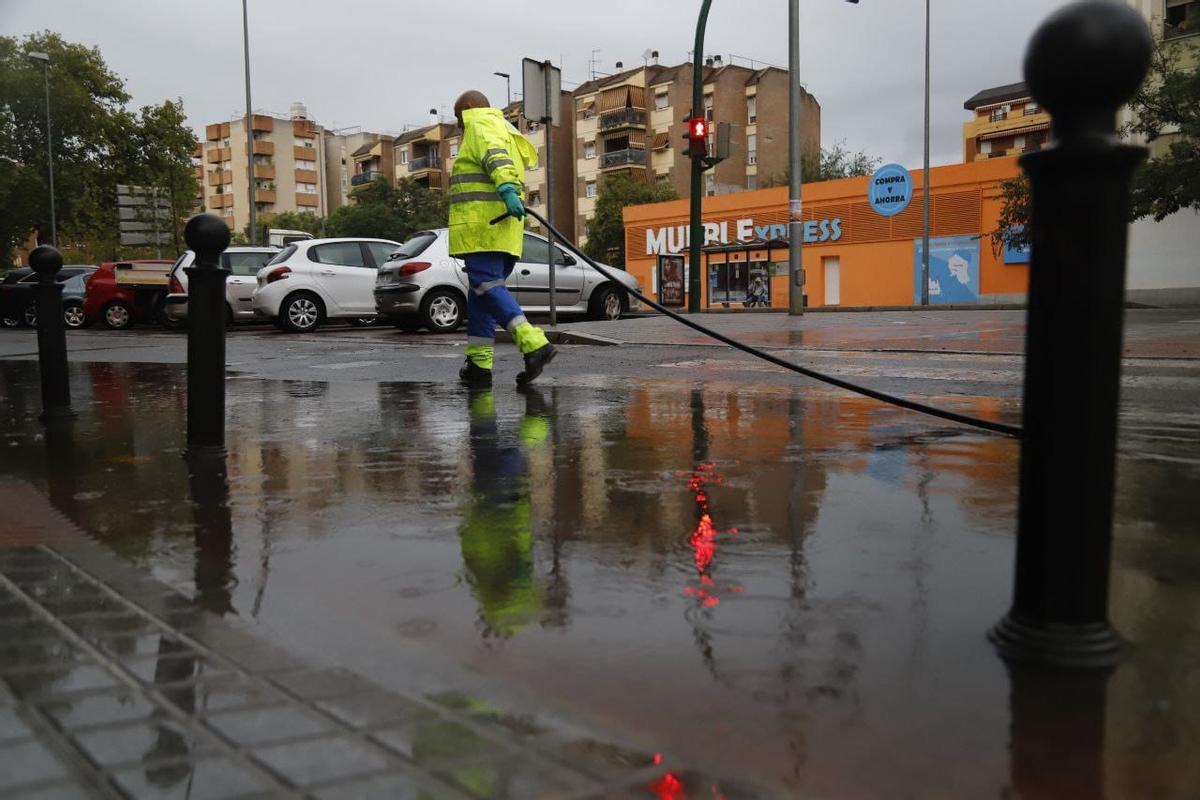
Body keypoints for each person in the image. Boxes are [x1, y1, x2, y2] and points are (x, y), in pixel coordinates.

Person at [450, 90, 556, 388]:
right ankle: (479, 365)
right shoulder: (505, 129)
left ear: (469, 108)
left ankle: (534, 344)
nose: (459, 125)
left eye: (459, 117)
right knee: (481, 293)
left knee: (485, 284)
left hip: (483, 226)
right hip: (504, 227)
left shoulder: (480, 125)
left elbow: (495, 157)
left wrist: (508, 189)